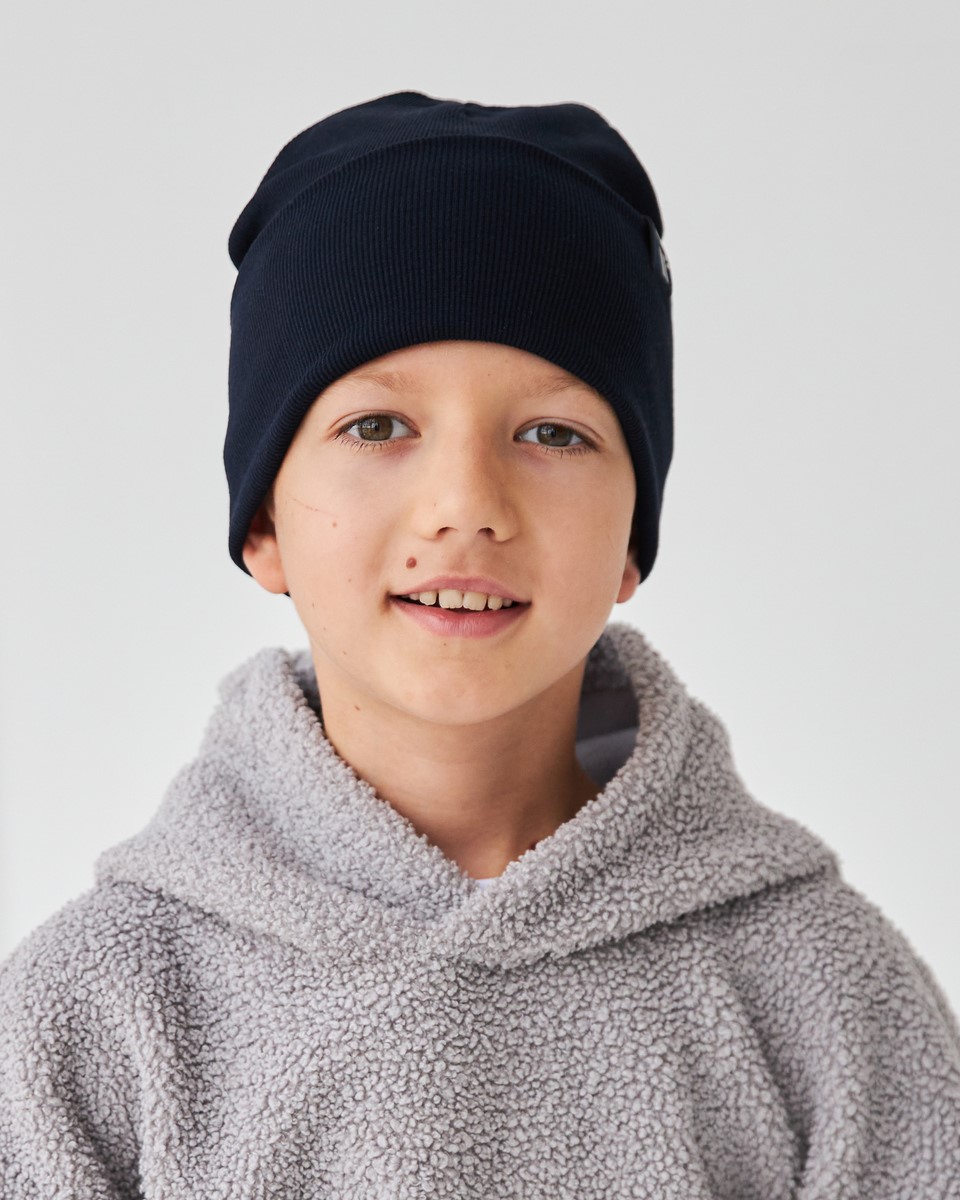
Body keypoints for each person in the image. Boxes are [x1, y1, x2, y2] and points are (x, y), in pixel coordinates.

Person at [1, 91, 958, 1199]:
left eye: (553, 432)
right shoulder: (95, 1012)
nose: (465, 503)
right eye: (377, 426)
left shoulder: (828, 999)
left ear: (630, 543)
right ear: (263, 523)